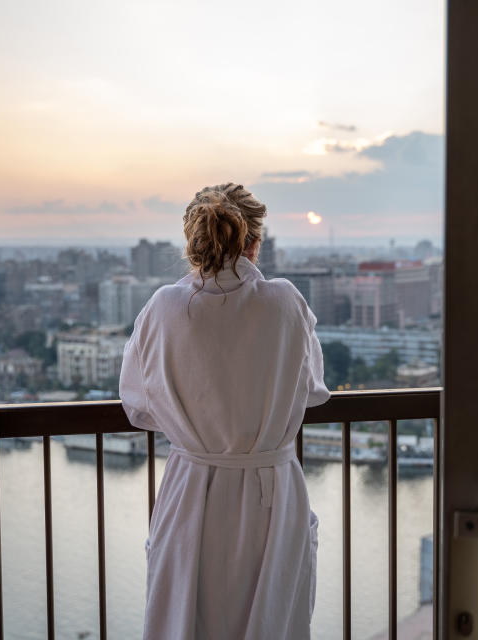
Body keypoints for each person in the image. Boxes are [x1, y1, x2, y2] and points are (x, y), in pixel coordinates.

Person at [119, 183, 330, 640]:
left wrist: (197, 424)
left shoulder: (162, 308)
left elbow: (138, 407)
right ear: (255, 241)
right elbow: (312, 390)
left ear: (191, 243)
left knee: (184, 620)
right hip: (272, 489)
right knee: (275, 620)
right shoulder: (286, 301)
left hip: (192, 486)